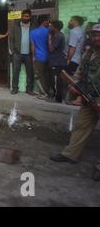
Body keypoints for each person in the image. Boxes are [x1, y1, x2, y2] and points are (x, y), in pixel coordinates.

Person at [50, 24, 100, 182]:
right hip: (88, 99)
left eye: (99, 35)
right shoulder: (89, 53)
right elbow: (80, 72)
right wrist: (74, 85)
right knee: (81, 126)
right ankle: (71, 155)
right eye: (94, 35)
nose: (96, 38)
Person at [9, 9, 36, 95]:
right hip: (17, 53)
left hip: (29, 54)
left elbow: (35, 40)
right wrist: (13, 51)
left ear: (30, 17)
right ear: (21, 16)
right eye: (24, 16)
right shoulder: (15, 26)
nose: (26, 17)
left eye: (27, 16)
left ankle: (29, 89)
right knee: (15, 72)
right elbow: (11, 39)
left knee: (30, 72)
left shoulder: (33, 27)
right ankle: (15, 88)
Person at [30, 15, 52, 99]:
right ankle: (48, 92)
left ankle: (44, 93)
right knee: (47, 75)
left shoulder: (33, 32)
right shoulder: (49, 31)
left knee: (39, 75)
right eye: (47, 21)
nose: (48, 22)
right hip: (48, 57)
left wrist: (33, 56)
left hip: (38, 57)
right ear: (44, 22)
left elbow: (33, 46)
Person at [48, 21, 67, 103]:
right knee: (57, 80)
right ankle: (58, 98)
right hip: (57, 61)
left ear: (55, 27)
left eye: (51, 26)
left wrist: (49, 39)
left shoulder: (58, 36)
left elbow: (51, 48)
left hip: (57, 61)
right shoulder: (58, 35)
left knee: (57, 81)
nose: (49, 27)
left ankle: (57, 99)